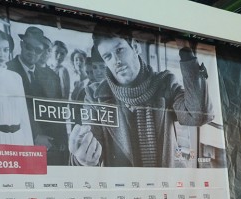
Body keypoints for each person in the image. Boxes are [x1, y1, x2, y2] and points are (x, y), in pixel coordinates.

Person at [68, 24, 214, 167]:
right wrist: (82, 160)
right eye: (108, 57)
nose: (116, 61)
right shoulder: (95, 97)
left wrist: (186, 53)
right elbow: (91, 150)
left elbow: (198, 115)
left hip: (164, 183)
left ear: (136, 48)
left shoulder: (165, 83)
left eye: (119, 50)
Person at [7, 26, 69, 165]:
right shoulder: (7, 70)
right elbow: (9, 109)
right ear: (22, 44)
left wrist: (63, 142)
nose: (33, 52)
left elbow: (58, 112)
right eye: (29, 47)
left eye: (38, 49)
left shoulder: (51, 77)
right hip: (21, 144)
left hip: (51, 148)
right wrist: (34, 135)